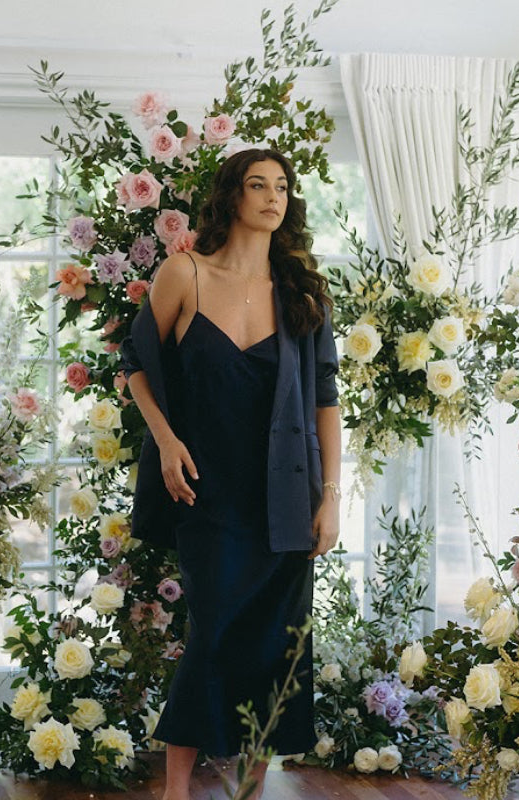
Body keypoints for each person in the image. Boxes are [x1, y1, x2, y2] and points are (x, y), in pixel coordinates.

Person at [121, 147, 341, 800]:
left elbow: (326, 400)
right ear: (233, 196)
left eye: (282, 186)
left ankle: (251, 788)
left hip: (285, 498)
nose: (272, 196)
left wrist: (331, 497)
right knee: (212, 635)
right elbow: (135, 361)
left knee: (276, 648)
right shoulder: (184, 274)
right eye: (257, 184)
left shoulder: (304, 290)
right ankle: (177, 792)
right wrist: (164, 442)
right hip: (207, 493)